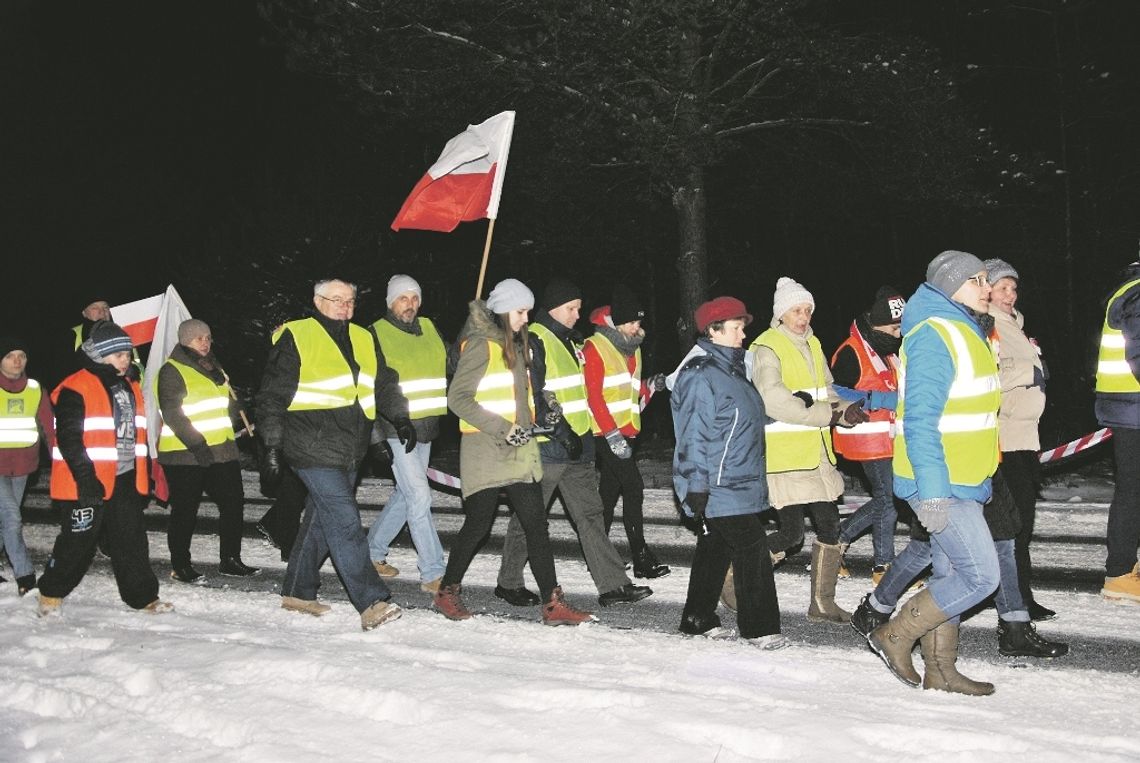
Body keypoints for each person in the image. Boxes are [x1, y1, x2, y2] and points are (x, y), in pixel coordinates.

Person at [866, 250, 1002, 695]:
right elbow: (921, 419)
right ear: (950, 286)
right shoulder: (934, 334)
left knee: (949, 576)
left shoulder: (965, 330)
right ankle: (894, 634)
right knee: (982, 576)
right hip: (943, 483)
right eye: (978, 280)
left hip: (966, 478)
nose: (987, 287)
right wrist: (934, 494)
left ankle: (940, 670)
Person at [433, 278, 593, 626]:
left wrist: (541, 417)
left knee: (537, 526)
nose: (525, 318)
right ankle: (447, 591)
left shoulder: (518, 346)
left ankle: (553, 605)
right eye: (520, 311)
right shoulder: (480, 346)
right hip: (485, 449)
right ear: (504, 310)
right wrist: (504, 427)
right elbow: (457, 400)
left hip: (520, 451)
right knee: (478, 524)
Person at [257, 278, 414, 631]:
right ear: (317, 301)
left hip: (349, 447)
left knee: (320, 520)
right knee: (344, 521)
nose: (345, 306)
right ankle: (371, 601)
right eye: (336, 299)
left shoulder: (362, 337)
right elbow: (271, 395)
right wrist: (271, 445)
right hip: (308, 444)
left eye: (350, 300)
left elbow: (378, 386)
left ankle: (297, 590)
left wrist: (398, 418)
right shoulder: (296, 335)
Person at [495, 278, 652, 608]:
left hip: (578, 446)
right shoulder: (535, 339)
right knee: (530, 518)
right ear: (553, 308)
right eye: (571, 309)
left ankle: (613, 585)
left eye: (578, 308)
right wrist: (559, 431)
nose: (576, 315)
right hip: (548, 448)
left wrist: (582, 438)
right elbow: (534, 396)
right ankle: (508, 582)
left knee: (591, 515)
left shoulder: (571, 341)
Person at [750, 276, 868, 624]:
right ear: (781, 314)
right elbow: (774, 401)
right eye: (796, 311)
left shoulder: (812, 344)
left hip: (816, 454)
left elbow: (826, 392)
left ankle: (822, 603)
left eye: (807, 310)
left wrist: (844, 410)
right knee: (791, 534)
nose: (803, 317)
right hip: (785, 457)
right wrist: (825, 415)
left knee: (830, 527)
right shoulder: (767, 347)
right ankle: (734, 580)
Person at [37, 321, 173, 616]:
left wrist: (143, 472)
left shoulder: (128, 385)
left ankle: (143, 597)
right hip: (85, 481)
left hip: (123, 478)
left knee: (131, 539)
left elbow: (134, 433)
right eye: (120, 355)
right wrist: (86, 479)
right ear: (101, 355)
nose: (127, 359)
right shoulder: (76, 386)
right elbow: (70, 440)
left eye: (128, 354)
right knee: (77, 541)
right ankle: (50, 593)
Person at [672, 297, 784, 647]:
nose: (743, 334)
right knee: (751, 545)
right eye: (736, 327)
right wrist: (695, 484)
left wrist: (785, 409)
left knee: (715, 547)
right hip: (717, 482)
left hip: (739, 479)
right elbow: (692, 434)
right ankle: (760, 627)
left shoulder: (733, 372)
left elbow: (741, 419)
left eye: (742, 326)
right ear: (714, 331)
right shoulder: (700, 376)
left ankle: (697, 617)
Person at [157, 319, 259, 584]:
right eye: (198, 338)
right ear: (184, 340)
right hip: (186, 453)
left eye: (208, 337)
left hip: (222, 450)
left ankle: (230, 560)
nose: (205, 342)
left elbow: (223, 403)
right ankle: (181, 565)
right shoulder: (172, 370)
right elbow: (172, 414)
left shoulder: (215, 368)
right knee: (185, 510)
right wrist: (197, 445)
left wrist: (238, 414)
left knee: (233, 503)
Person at [982, 258, 1055, 620]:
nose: (1011, 294)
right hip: (1005, 438)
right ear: (988, 290)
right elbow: (988, 377)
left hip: (1026, 436)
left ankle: (1020, 593)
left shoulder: (1015, 325)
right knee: (1014, 523)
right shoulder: (988, 325)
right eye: (1003, 288)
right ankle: (1014, 598)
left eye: (1014, 287)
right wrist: (1029, 370)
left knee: (1022, 522)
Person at [366, 275, 449, 593]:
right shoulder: (376, 333)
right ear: (390, 302)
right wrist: (375, 436)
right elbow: (372, 387)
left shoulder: (429, 327)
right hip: (394, 427)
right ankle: (433, 572)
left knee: (405, 494)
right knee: (419, 496)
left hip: (426, 428)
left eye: (415, 298)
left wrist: (475, 329)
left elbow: (451, 362)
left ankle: (371, 552)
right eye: (403, 298)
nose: (410, 304)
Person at [584, 286, 671, 579]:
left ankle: (597, 554)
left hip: (627, 433)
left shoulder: (630, 347)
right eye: (633, 321)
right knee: (633, 487)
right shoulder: (594, 347)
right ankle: (641, 557)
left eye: (640, 321)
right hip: (605, 435)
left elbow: (627, 392)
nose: (638, 326)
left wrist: (649, 386)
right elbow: (594, 397)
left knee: (608, 494)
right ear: (618, 321)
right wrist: (611, 435)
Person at [832, 286, 907, 583]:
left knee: (889, 498)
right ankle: (884, 567)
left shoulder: (885, 350)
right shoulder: (852, 349)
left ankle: (836, 540)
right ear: (877, 324)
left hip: (887, 438)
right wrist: (876, 400)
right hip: (864, 438)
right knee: (888, 499)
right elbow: (834, 391)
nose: (899, 333)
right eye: (894, 327)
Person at [1095, 260, 1140, 603]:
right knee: (1132, 491)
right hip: (1133, 408)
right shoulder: (1137, 293)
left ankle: (1124, 570)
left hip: (1128, 406)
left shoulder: (1129, 290)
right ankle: (1120, 573)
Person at [0, 336, 55, 596]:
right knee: (12, 517)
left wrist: (60, 459)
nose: (17, 361)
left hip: (23, 467)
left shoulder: (34, 388)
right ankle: (25, 575)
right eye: (11, 355)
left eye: (21, 355)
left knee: (4, 519)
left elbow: (48, 426)